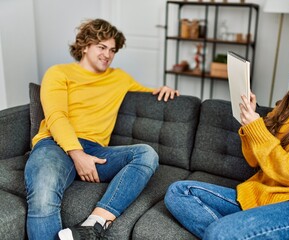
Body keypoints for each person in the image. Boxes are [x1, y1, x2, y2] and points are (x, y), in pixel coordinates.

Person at [164, 49, 289, 240]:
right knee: (178, 192)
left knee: (220, 232)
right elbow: (254, 160)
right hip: (262, 197)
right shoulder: (287, 109)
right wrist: (249, 125)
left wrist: (257, 127)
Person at [24, 18, 179, 240]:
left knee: (146, 154)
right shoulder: (58, 73)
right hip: (55, 145)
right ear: (85, 46)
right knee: (43, 195)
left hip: (96, 151)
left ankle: (93, 226)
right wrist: (77, 155)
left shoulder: (120, 78)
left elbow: (148, 93)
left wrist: (163, 89)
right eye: (102, 47)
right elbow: (57, 116)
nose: (107, 54)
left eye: (113, 50)